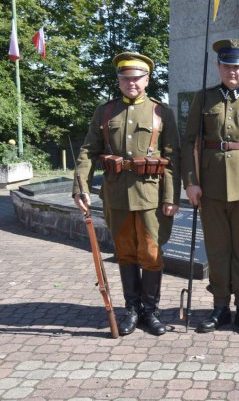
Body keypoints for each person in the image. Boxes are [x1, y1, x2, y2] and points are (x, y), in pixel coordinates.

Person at [73, 52, 181, 336]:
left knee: (151, 253)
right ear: (119, 80)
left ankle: (151, 310)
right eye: (125, 78)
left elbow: (173, 158)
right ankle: (131, 309)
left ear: (147, 80)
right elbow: (88, 151)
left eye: (136, 78)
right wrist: (80, 185)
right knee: (125, 252)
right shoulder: (105, 112)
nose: (131, 83)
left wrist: (171, 198)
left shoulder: (161, 112)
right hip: (117, 196)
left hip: (151, 196)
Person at [182, 39, 239, 335]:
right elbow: (188, 143)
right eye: (227, 65)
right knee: (218, 250)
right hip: (210, 186)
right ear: (219, 67)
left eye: (237, 66)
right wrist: (191, 183)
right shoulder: (204, 98)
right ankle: (220, 307)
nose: (232, 71)